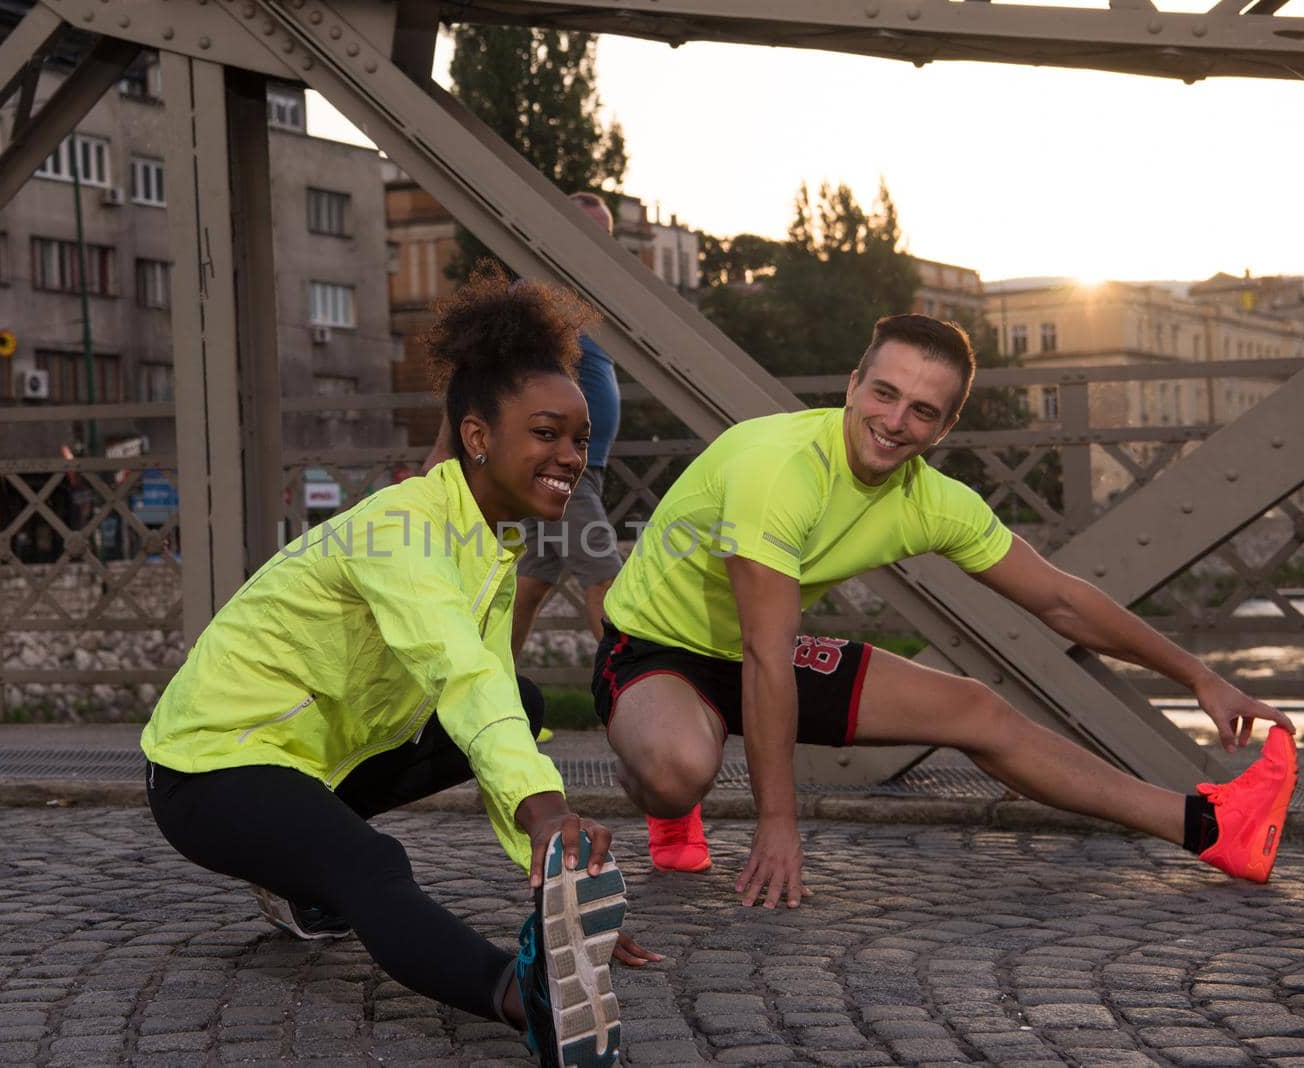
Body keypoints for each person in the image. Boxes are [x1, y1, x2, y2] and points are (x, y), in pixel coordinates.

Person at [597, 313, 1298, 903]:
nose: (894, 422)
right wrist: (777, 822)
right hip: (655, 647)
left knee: (976, 708)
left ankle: (1211, 826)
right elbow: (764, 654)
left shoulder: (933, 503)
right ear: (853, 385)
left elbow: (1060, 600)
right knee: (678, 768)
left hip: (758, 650)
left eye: (922, 411)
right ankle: (673, 806)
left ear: (944, 427)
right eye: (884, 393)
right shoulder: (779, 469)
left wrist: (1199, 676)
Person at [142, 264, 640, 1067]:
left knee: (520, 697)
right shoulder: (403, 531)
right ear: (479, 437)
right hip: (208, 767)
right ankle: (522, 999)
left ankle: (302, 866)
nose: (571, 456)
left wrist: (559, 881)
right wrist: (547, 815)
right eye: (546, 433)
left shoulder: (490, 539)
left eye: (580, 438)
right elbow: (459, 678)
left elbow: (489, 702)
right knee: (372, 865)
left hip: (312, 763)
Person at [425, 193, 627, 743]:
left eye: (602, 234)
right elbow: (482, 371)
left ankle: (491, 708)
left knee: (531, 584)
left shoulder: (594, 292)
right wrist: (445, 450)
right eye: (584, 231)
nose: (594, 243)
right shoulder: (536, 292)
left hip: (582, 462)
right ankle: (633, 700)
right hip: (553, 468)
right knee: (603, 573)